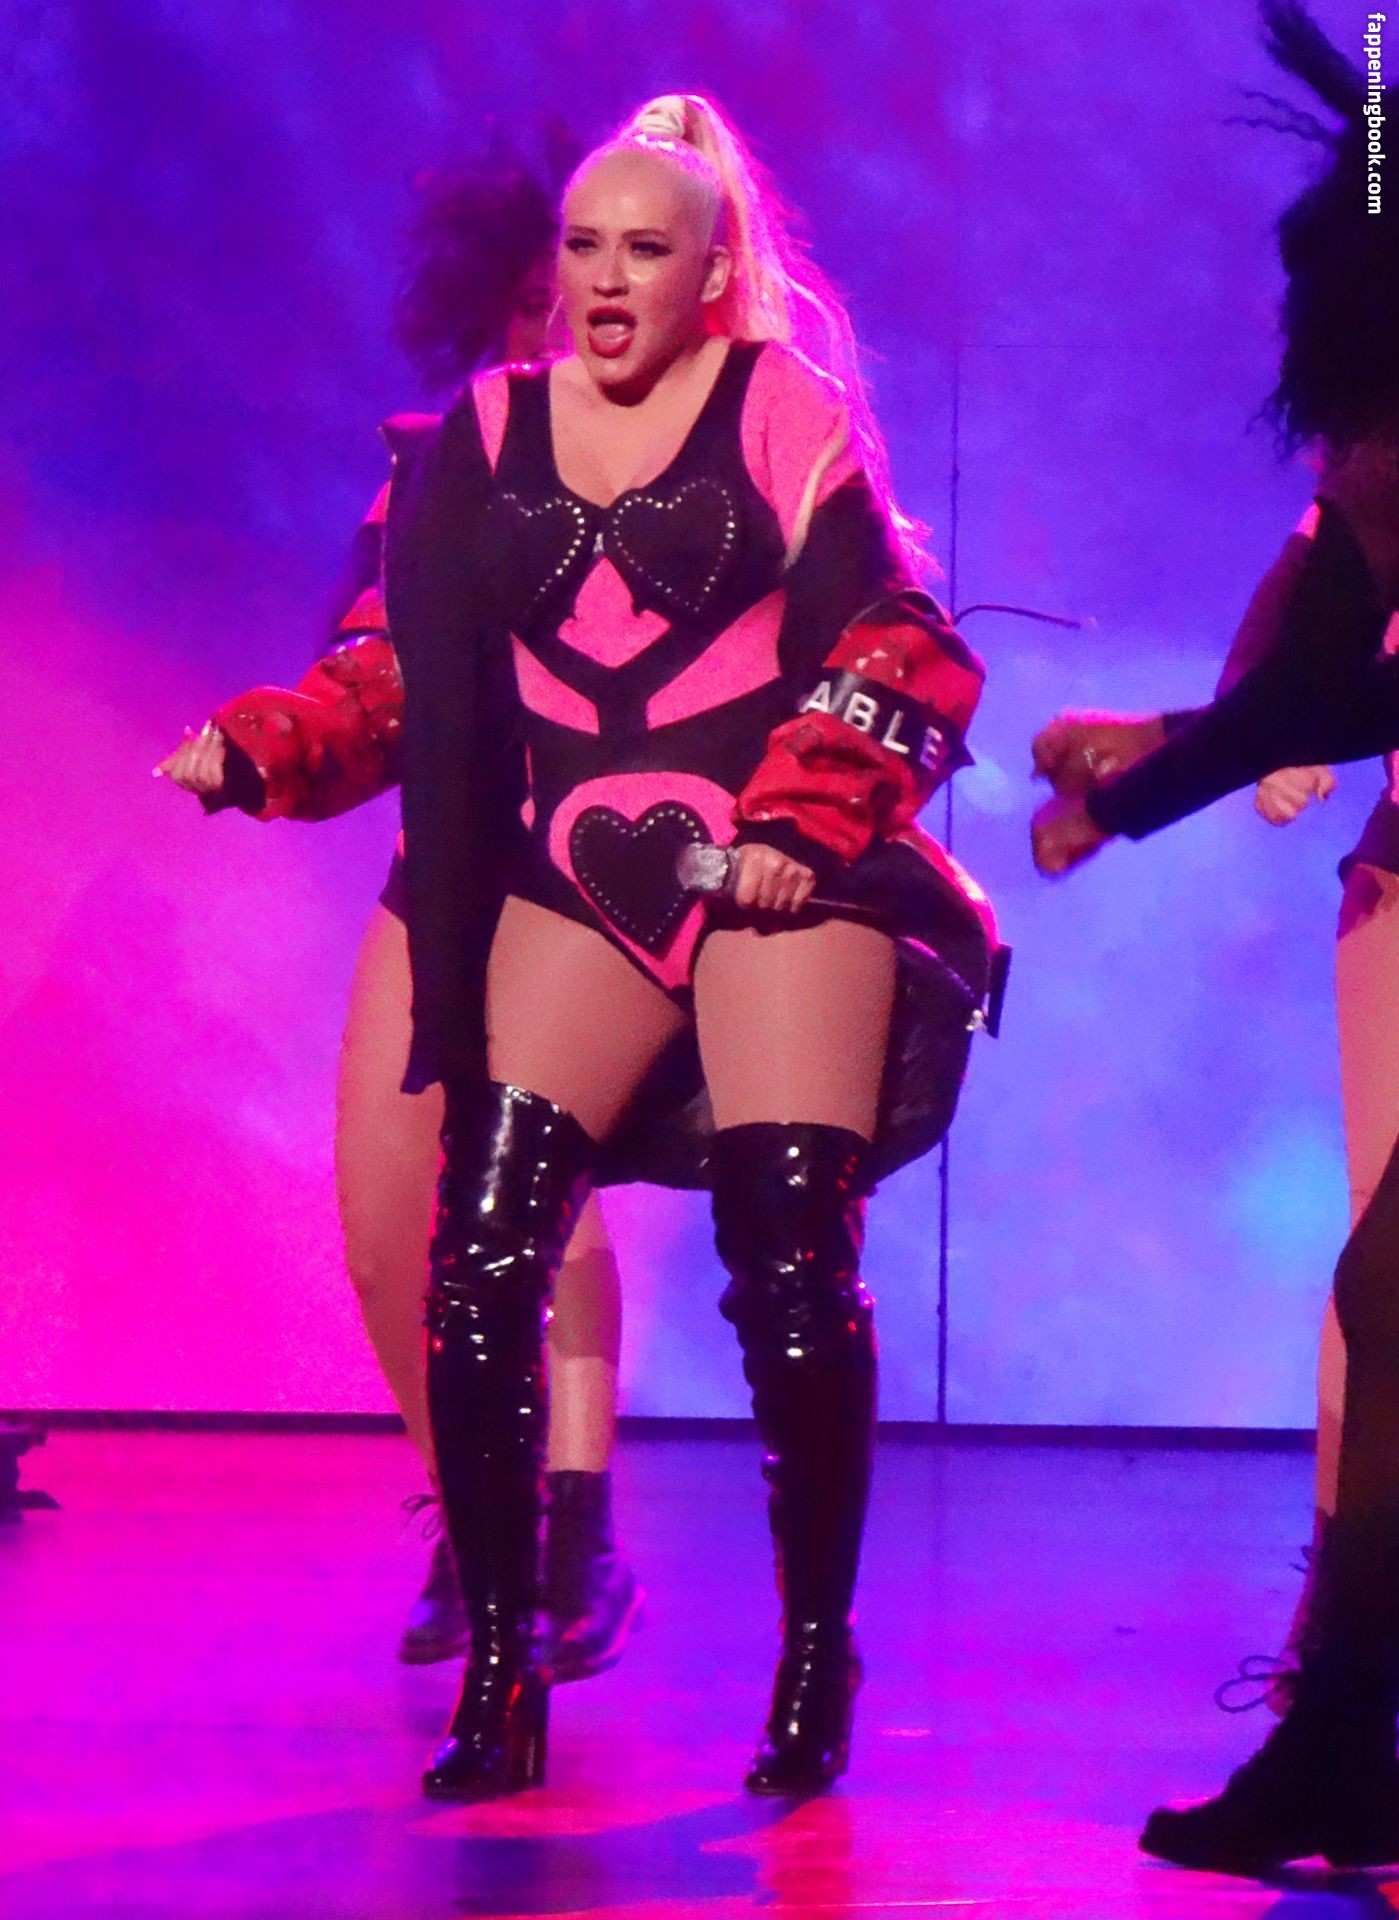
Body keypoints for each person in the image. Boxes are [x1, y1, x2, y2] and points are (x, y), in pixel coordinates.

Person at [182, 90, 1000, 1803]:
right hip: (568, 874)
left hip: (772, 867)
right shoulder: (481, 435)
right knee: (479, 1252)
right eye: (585, 247)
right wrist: (269, 748)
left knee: (790, 1257)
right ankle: (505, 1654)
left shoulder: (782, 410)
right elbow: (392, 665)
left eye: (646, 249)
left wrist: (799, 821)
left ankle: (813, 1651)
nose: (608, 279)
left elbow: (900, 638)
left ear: (712, 274)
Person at [159, 124, 642, 1685]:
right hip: (446, 868)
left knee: (545, 1205)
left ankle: (574, 1529)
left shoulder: (688, 459)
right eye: (533, 300)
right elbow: (374, 664)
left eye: (588, 290)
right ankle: (479, 1507)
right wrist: (272, 743)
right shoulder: (438, 466)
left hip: (609, 876)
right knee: (385, 1229)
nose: (560, 323)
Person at [1030, 0, 1399, 1875]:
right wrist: (1167, 758)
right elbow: (1329, 685)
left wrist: (1134, 798)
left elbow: (1326, 699)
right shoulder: (1380, 443)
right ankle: (1340, 1750)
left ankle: (1337, 1754)